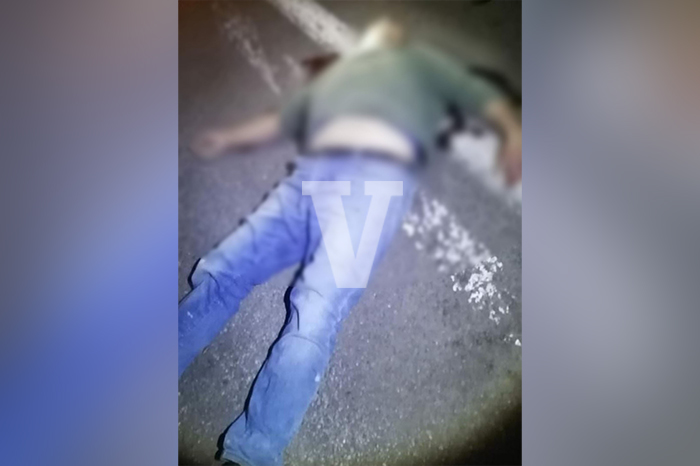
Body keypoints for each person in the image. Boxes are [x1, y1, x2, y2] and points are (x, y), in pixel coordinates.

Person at [179, 18, 522, 466]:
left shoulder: (421, 65)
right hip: (307, 182)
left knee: (316, 310)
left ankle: (252, 451)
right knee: (223, 272)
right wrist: (229, 137)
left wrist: (513, 134)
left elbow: (478, 93)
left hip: (377, 182)